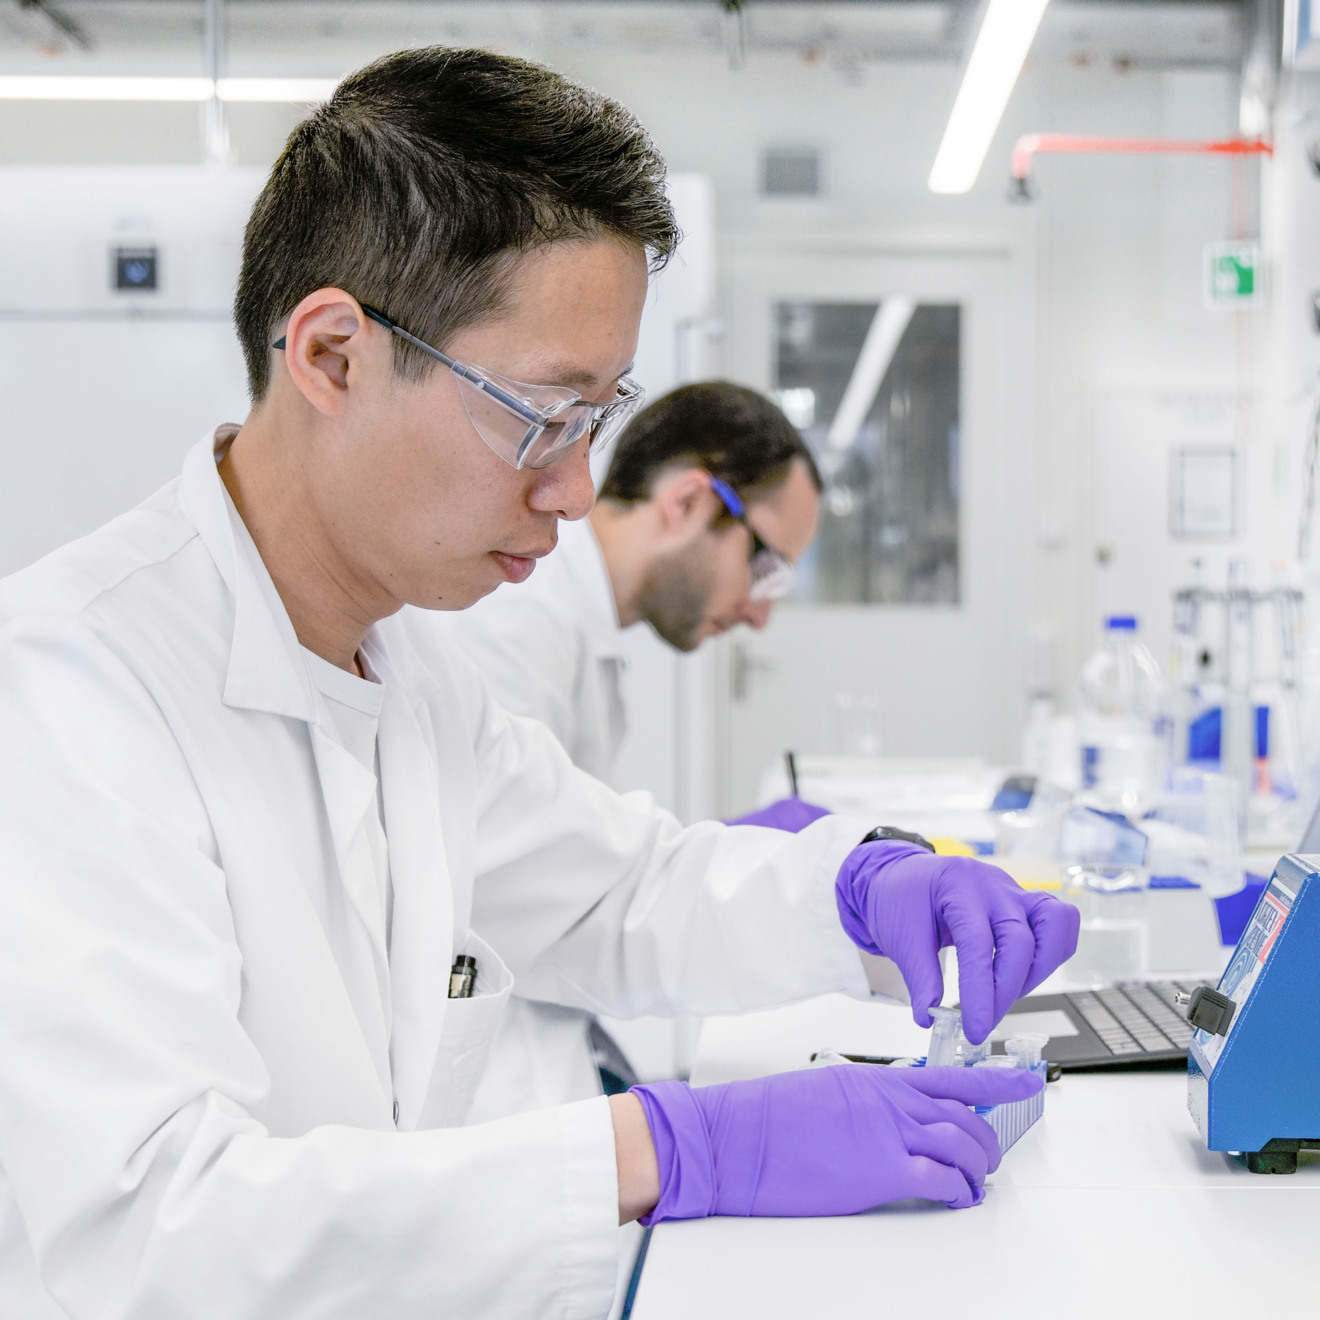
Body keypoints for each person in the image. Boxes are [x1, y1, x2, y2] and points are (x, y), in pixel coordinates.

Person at [0, 47, 1077, 1319]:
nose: (573, 491)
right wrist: (669, 1152)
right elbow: (153, 1230)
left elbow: (612, 894)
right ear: (335, 355)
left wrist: (856, 895)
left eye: (595, 423)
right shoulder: (68, 688)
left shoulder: (411, 667)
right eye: (539, 414)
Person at [437, 382, 833, 1122]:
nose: (760, 611)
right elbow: (541, 896)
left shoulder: (584, 629)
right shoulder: (519, 619)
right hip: (493, 1079)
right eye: (767, 566)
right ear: (686, 503)